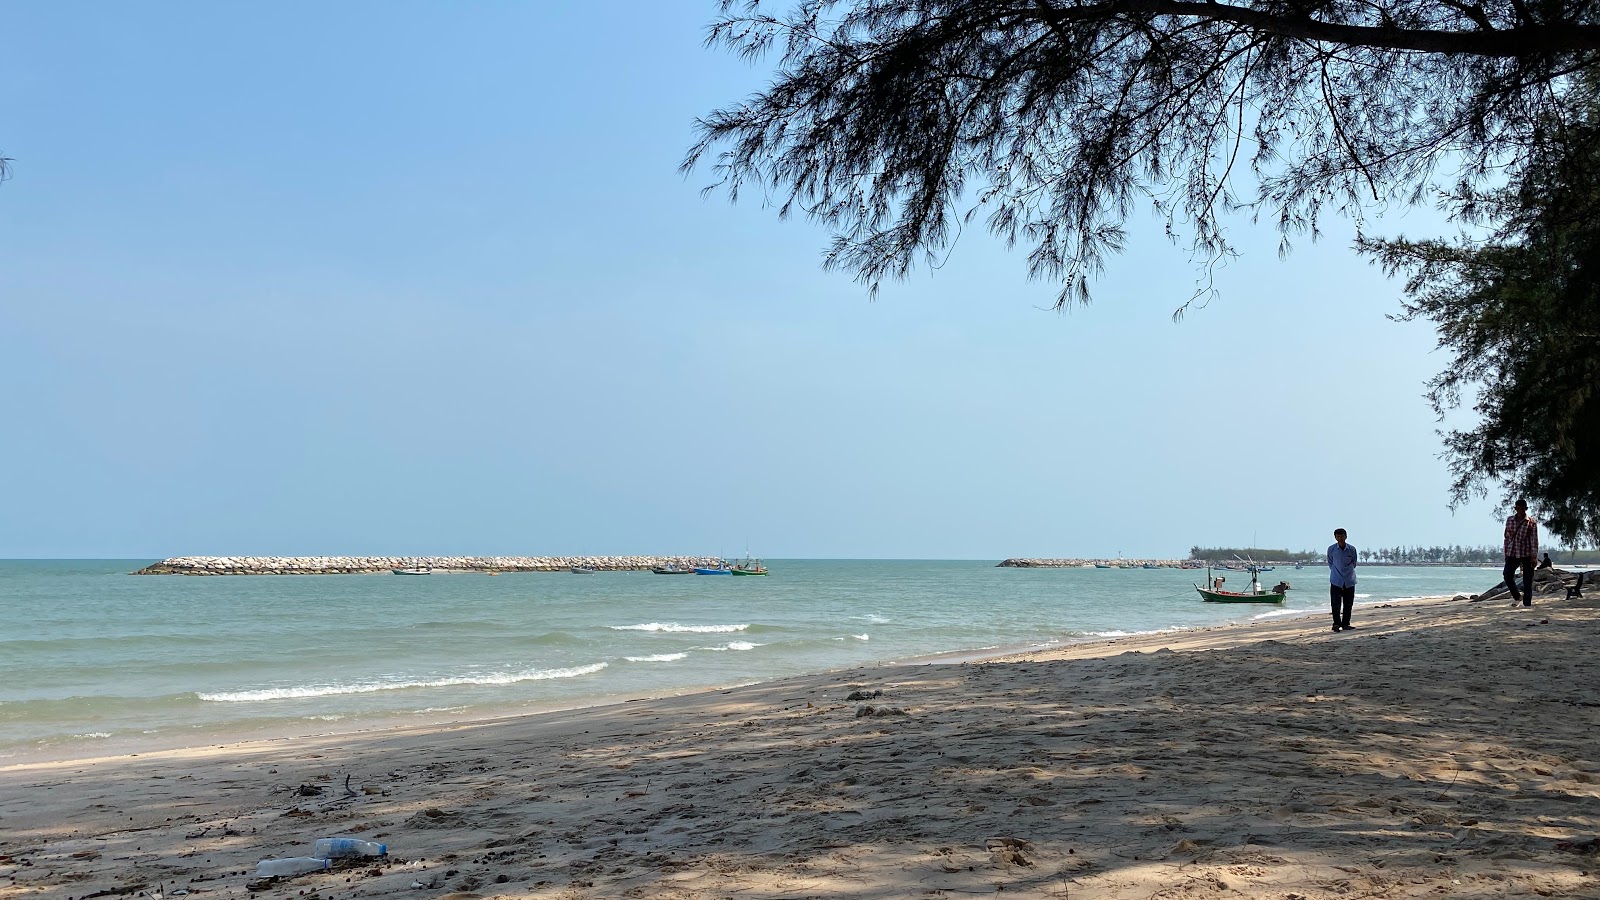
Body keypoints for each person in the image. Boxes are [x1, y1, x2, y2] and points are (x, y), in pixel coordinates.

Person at [1503, 499, 1539, 606]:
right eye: (1518, 508)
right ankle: (1517, 596)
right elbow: (1506, 537)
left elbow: (1534, 540)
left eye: (1522, 508)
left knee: (1527, 580)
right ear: (1515, 509)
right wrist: (1506, 552)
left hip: (1526, 553)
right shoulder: (1510, 520)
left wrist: (1534, 556)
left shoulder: (1531, 522)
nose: (1520, 510)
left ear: (1526, 509)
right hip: (1512, 552)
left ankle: (1527, 603)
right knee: (1507, 575)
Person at [1328, 528, 1357, 632]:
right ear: (1335, 537)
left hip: (1349, 580)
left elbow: (1354, 563)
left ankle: (1346, 624)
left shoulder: (1352, 549)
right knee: (1335, 603)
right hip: (1336, 580)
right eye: (1338, 536)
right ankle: (1336, 623)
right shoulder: (1331, 549)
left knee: (1348, 603)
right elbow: (1330, 563)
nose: (1340, 538)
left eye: (1342, 536)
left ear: (1346, 536)